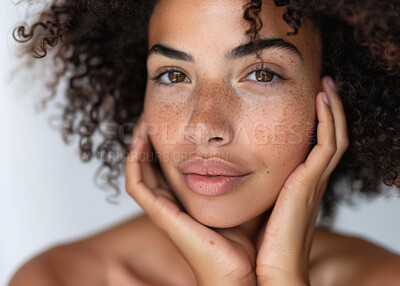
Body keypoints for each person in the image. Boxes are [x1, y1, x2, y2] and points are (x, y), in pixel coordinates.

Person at [8, 0, 400, 285]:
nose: (203, 126)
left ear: (334, 96)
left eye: (261, 74)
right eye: (173, 75)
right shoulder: (57, 279)